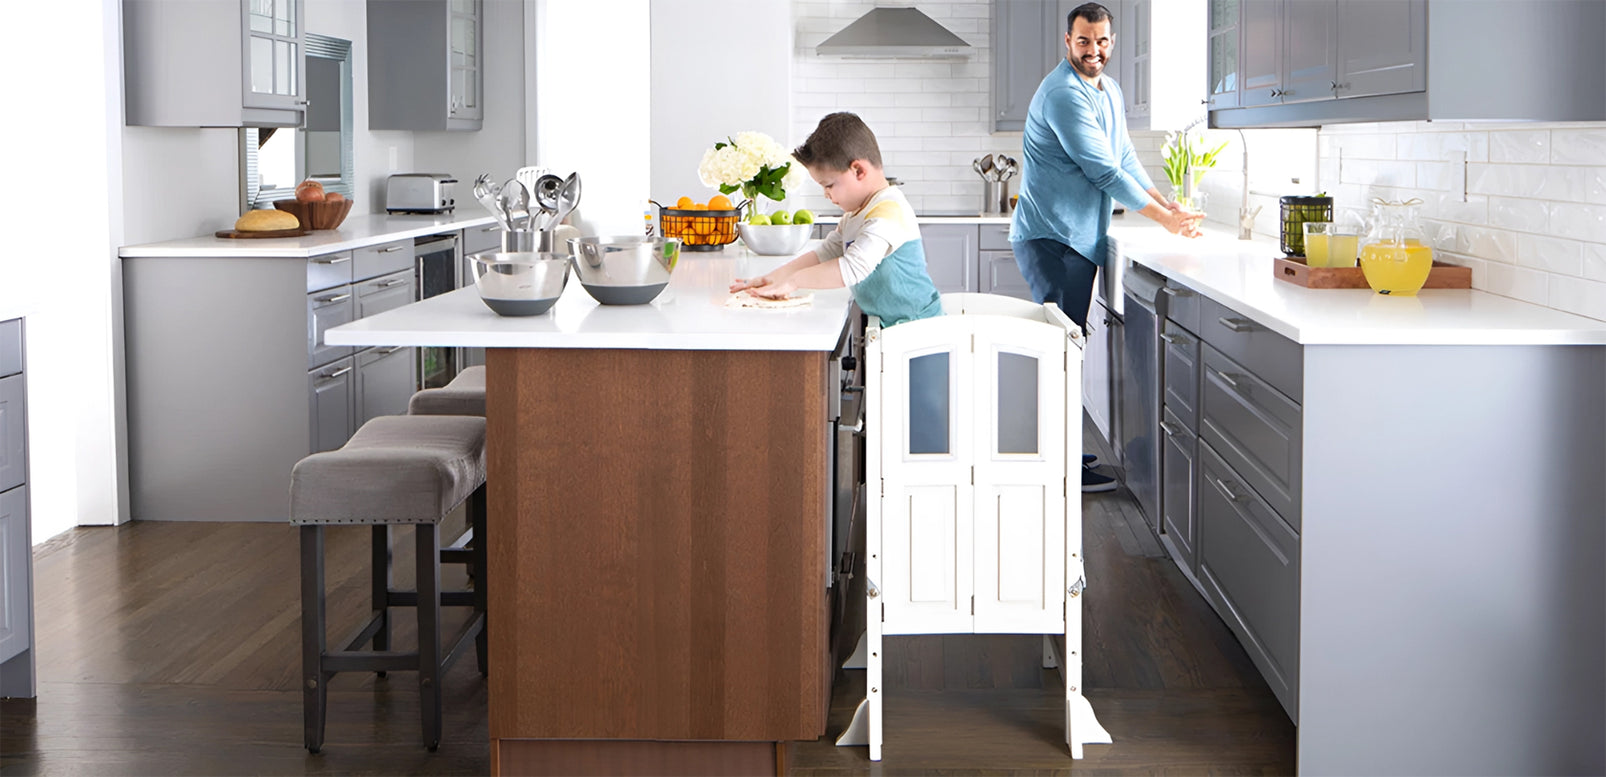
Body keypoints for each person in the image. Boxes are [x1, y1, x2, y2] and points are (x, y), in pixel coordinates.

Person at [1010, 2, 1201, 492]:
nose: (1093, 50)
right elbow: (1104, 172)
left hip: (1077, 238)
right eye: (1083, 41)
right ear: (1067, 41)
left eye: (1101, 41)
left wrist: (1165, 204)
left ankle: (1063, 455)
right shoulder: (1063, 94)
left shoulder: (1108, 90)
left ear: (1112, 42)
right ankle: (1060, 470)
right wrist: (1165, 220)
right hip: (1052, 239)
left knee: (1065, 347)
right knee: (1060, 351)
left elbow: (1125, 157)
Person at [730, 112, 942, 328]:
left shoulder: (888, 211)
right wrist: (775, 277)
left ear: (858, 170)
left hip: (919, 329)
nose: (826, 194)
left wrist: (793, 282)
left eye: (829, 185)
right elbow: (825, 254)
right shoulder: (854, 215)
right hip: (893, 327)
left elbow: (853, 268)